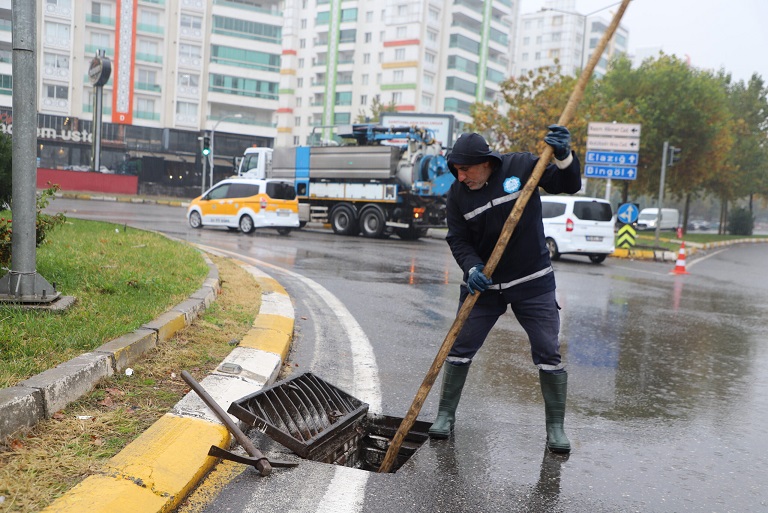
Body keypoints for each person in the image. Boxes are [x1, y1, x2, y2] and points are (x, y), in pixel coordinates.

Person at [428, 125, 581, 454]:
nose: (460, 176)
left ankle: (555, 428)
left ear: (486, 163)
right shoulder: (457, 195)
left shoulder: (523, 166)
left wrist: (565, 156)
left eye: (465, 169)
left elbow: (569, 185)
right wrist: (471, 268)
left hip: (532, 281)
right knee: (459, 346)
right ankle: (444, 415)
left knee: (547, 351)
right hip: (485, 286)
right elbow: (458, 239)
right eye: (456, 170)